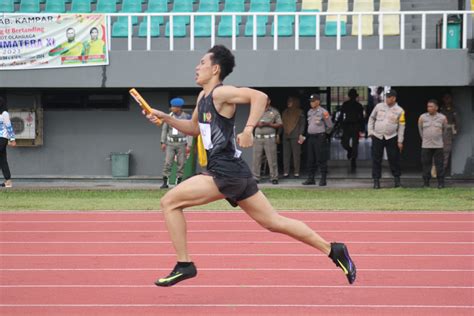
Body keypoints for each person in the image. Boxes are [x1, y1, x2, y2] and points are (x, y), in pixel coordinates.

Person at [143, 45, 356, 287]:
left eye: (202, 63)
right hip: (235, 172)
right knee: (273, 222)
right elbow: (194, 129)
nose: (197, 67)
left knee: (169, 202)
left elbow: (260, 97)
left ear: (215, 69)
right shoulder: (203, 98)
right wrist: (166, 117)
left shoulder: (220, 94)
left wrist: (248, 129)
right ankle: (333, 250)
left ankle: (185, 264)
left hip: (224, 172)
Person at [368, 89, 405, 189]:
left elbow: (402, 126)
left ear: (394, 98)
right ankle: (376, 182)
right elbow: (371, 118)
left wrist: (400, 141)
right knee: (376, 159)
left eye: (389, 97)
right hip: (378, 136)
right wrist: (370, 132)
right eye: (386, 97)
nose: (387, 99)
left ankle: (397, 181)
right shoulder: (379, 106)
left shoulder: (400, 110)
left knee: (394, 159)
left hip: (391, 137)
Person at [300, 94, 333, 186]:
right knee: (310, 158)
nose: (311, 103)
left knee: (321, 158)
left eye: (313, 101)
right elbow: (309, 125)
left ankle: (323, 179)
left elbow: (330, 126)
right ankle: (311, 178)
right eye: (310, 101)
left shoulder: (323, 112)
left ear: (318, 101)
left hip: (320, 137)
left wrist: (324, 134)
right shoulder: (309, 112)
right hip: (311, 137)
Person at [160, 98, 192, 189]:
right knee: (167, 162)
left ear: (179, 108)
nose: (172, 108)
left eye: (174, 107)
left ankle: (179, 182)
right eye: (172, 106)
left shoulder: (186, 117)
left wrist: (189, 144)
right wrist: (163, 142)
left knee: (181, 163)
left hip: (182, 143)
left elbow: (190, 131)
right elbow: (164, 130)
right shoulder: (169, 116)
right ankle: (165, 182)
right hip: (170, 143)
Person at [252, 98, 283, 184]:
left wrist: (269, 124)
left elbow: (280, 124)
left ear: (269, 101)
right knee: (256, 158)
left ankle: (274, 177)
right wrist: (258, 124)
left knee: (272, 158)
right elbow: (251, 122)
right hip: (258, 138)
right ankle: (256, 177)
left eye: (266, 100)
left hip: (269, 138)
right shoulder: (256, 110)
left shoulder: (274, 111)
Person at [418, 100, 447, 189]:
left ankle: (440, 183)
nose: (429, 108)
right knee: (426, 164)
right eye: (428, 106)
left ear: (436, 108)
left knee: (439, 164)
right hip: (426, 145)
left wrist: (439, 139)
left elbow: (444, 130)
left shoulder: (442, 118)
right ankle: (426, 183)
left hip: (438, 145)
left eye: (431, 106)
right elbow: (420, 130)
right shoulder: (422, 117)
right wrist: (425, 139)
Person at [338, 88, 364, 170]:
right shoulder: (346, 104)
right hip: (347, 125)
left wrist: (362, 127)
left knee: (354, 144)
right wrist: (341, 124)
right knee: (344, 143)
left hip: (355, 125)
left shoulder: (359, 106)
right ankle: (350, 151)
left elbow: (361, 118)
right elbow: (341, 115)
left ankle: (353, 159)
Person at [281, 96, 305, 178]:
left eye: (291, 101)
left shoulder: (299, 112)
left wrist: (301, 134)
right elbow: (281, 124)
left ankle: (296, 172)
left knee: (296, 155)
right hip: (285, 135)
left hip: (295, 135)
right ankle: (286, 172)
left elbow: (302, 124)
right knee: (286, 155)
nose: (289, 103)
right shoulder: (284, 112)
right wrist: (278, 134)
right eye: (288, 101)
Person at [0, 96, 16, 188]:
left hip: (2, 138)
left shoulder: (4, 113)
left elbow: (8, 126)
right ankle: (8, 181)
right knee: (2, 160)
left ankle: (8, 180)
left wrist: (12, 139)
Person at [439, 92, 457, 171]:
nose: (446, 100)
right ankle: (435, 170)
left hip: (448, 131)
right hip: (438, 131)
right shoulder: (440, 108)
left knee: (446, 151)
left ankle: (442, 170)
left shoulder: (453, 109)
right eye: (445, 98)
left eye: (448, 98)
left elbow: (457, 122)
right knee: (435, 151)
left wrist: (454, 133)